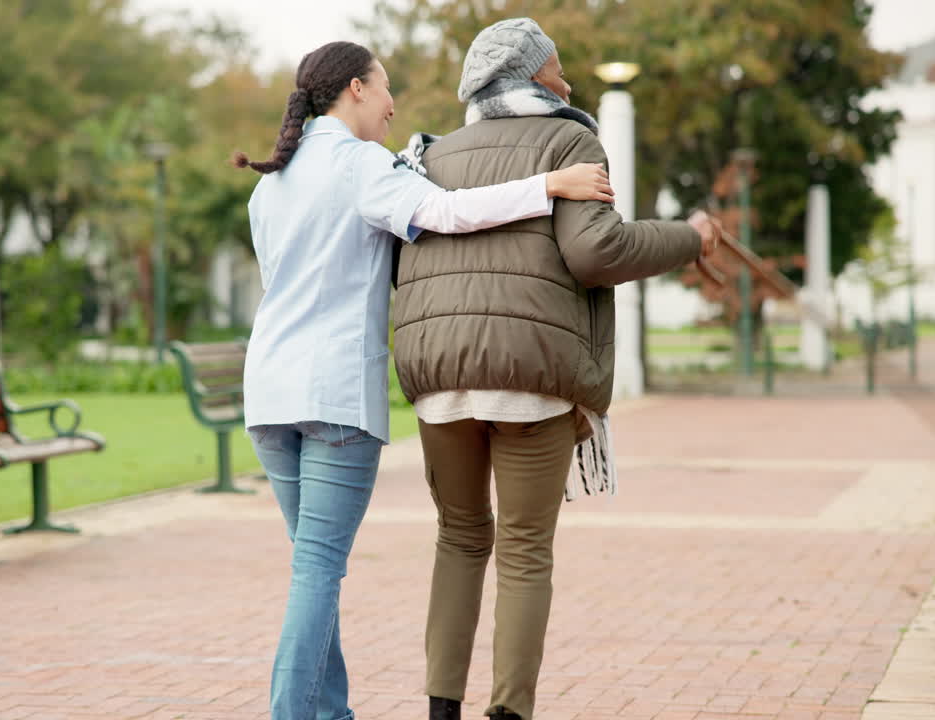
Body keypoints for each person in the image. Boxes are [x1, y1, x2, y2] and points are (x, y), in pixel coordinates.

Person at [232, 40, 616, 720]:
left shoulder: (273, 181)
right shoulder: (360, 165)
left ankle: (329, 713)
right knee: (317, 570)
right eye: (384, 89)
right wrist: (549, 186)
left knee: (312, 571)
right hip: (334, 395)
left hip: (267, 391)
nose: (392, 105)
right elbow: (449, 212)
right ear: (354, 88)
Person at [390, 18, 722, 720]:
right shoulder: (569, 140)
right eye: (558, 66)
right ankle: (509, 713)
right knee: (522, 549)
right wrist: (689, 238)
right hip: (531, 375)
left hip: (439, 378)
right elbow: (597, 253)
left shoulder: (433, 155)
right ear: (535, 76)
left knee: (458, 537)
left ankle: (441, 711)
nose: (567, 79)